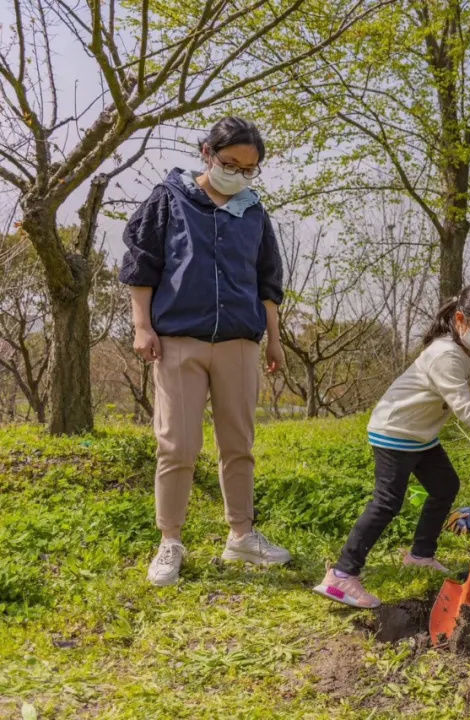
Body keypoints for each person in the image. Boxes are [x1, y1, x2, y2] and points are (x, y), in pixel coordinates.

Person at [120, 117, 290, 586]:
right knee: (177, 444)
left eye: (249, 168)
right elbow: (141, 264)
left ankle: (241, 535)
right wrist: (141, 326)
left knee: (239, 444)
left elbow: (267, 280)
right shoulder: (170, 199)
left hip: (239, 340)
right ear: (206, 153)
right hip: (179, 340)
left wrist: (273, 338)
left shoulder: (254, 211)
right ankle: (170, 541)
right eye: (229, 162)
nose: (237, 173)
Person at [313, 281, 470, 609]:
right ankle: (342, 575)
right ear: (461, 320)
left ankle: (421, 554)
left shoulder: (466, 350)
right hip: (395, 432)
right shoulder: (445, 353)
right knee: (387, 502)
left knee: (445, 486)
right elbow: (464, 407)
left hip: (419, 436)